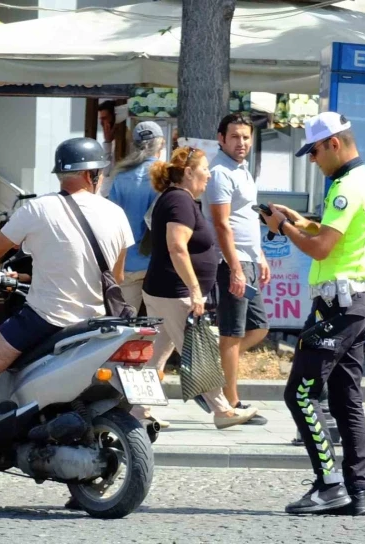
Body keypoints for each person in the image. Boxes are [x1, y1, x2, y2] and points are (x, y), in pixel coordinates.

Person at [0, 137, 133, 515]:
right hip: (97, 323)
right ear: (93, 174)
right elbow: (114, 276)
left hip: (45, 319)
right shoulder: (116, 215)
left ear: (63, 174)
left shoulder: (39, 209)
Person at [259, 112, 365, 516]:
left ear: (334, 143)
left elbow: (322, 249)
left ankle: (329, 486)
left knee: (299, 394)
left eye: (313, 151)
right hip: (355, 304)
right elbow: (331, 233)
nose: (312, 160)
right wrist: (299, 220)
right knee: (347, 399)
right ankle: (356, 490)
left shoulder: (346, 187)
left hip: (340, 307)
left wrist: (283, 229)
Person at [141, 146, 257, 429]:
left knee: (155, 358)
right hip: (175, 293)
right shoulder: (179, 201)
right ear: (189, 172)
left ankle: (138, 411)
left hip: (164, 290)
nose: (208, 174)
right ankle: (222, 410)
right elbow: (177, 247)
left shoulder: (178, 199)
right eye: (204, 169)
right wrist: (194, 290)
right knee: (199, 354)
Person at [202, 114, 270, 423]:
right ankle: (230, 402)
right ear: (221, 138)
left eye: (245, 137)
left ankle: (212, 379)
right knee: (232, 332)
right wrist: (235, 268)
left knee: (259, 328)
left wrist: (260, 256)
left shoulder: (242, 170)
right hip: (231, 261)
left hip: (248, 258)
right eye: (235, 137)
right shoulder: (219, 172)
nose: (241, 142)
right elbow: (221, 223)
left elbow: (248, 218)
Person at [108, 121, 162, 313]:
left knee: (125, 327)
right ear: (161, 144)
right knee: (159, 330)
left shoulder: (120, 176)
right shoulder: (167, 175)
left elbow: (110, 222)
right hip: (159, 263)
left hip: (127, 263)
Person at [96, 100, 118, 197]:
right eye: (100, 119)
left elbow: (107, 171)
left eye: (104, 118)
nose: (101, 123)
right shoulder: (109, 142)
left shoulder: (125, 139)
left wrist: (108, 142)